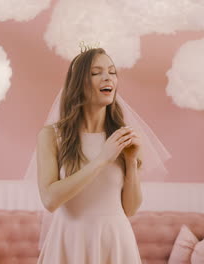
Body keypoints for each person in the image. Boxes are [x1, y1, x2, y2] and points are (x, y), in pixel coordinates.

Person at [36, 47, 144, 263]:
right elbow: (49, 200)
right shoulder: (51, 135)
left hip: (115, 240)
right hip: (69, 239)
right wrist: (103, 158)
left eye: (112, 72)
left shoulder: (121, 136)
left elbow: (130, 209)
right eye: (96, 73)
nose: (107, 78)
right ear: (79, 84)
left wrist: (131, 162)